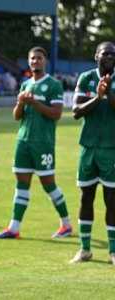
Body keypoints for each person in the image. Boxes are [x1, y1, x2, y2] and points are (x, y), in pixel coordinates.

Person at [0, 46, 72, 239]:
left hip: (43, 142)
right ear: (29, 61)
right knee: (21, 183)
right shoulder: (25, 84)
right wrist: (21, 102)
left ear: (45, 61)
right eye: (32, 58)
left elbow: (57, 114)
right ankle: (14, 228)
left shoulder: (53, 85)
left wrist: (34, 102)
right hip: (23, 140)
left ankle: (66, 224)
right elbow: (17, 116)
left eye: (39, 58)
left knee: (48, 183)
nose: (35, 61)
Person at [70, 42, 115, 264]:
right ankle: (85, 249)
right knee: (85, 197)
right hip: (88, 148)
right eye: (105, 53)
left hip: (111, 149)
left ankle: (113, 251)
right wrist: (98, 97)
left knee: (112, 200)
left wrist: (108, 92)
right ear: (96, 55)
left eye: (112, 54)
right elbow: (76, 112)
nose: (109, 57)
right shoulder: (86, 78)